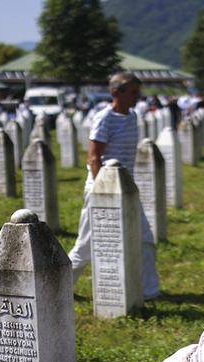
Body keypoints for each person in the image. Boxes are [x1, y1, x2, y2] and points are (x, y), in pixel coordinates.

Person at [66, 72, 159, 301]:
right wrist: (103, 192)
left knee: (145, 239)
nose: (138, 97)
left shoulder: (132, 116)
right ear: (117, 93)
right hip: (102, 190)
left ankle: (150, 293)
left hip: (126, 188)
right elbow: (94, 158)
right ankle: (58, 285)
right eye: (134, 93)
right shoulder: (104, 118)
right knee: (86, 246)